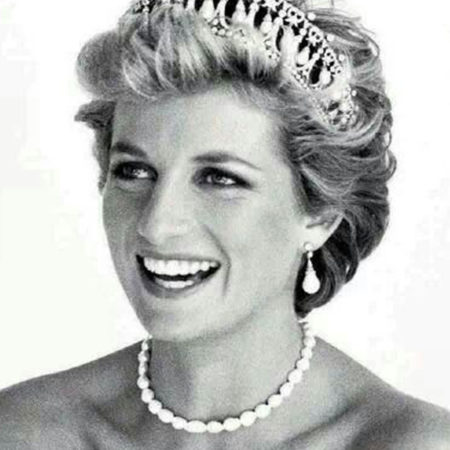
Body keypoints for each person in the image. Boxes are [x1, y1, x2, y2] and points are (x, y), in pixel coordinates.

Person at [1, 0, 450, 448]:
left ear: (320, 213)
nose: (156, 225)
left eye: (219, 178)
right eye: (134, 171)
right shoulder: (22, 431)